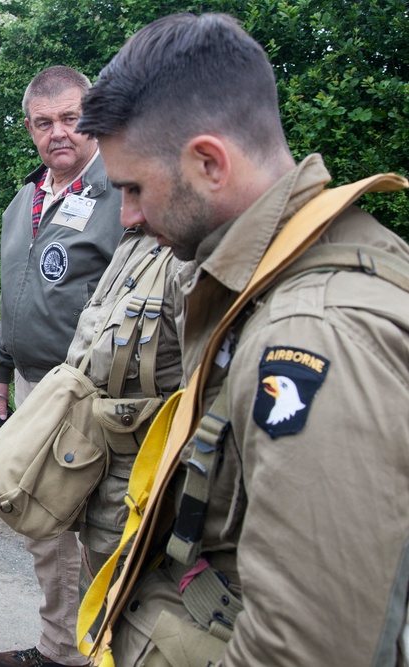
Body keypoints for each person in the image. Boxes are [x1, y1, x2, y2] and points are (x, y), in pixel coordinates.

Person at [76, 12, 409, 666]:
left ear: (208, 162)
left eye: (134, 188)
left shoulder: (317, 336)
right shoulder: (258, 277)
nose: (130, 216)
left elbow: (309, 649)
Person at [0, 65, 124, 667]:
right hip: (30, 383)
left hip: (87, 393)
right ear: (30, 128)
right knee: (46, 525)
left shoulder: (120, 192)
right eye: (44, 123)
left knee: (90, 529)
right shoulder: (27, 200)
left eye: (70, 118)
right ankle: (61, 647)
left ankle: (86, 651)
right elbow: (17, 295)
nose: (58, 132)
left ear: (92, 117)